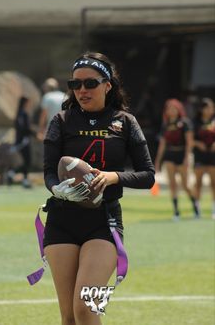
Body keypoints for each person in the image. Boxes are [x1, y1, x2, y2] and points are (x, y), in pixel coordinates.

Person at [43, 52, 155, 325]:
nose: (82, 90)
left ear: (108, 85)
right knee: (69, 317)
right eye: (75, 84)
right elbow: (48, 172)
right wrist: (57, 189)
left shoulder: (126, 122)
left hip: (105, 222)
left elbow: (148, 176)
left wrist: (113, 177)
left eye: (90, 83)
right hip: (61, 221)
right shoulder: (61, 120)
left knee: (88, 308)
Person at [154, 98, 200, 220]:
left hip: (182, 154)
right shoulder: (166, 124)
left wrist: (187, 158)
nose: (171, 111)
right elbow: (162, 144)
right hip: (170, 155)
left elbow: (189, 142)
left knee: (185, 185)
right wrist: (158, 161)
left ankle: (195, 206)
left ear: (179, 109)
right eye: (169, 109)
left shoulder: (185, 123)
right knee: (172, 185)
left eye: (174, 108)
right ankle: (176, 212)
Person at [193, 98, 215, 219]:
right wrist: (197, 144)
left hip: (213, 157)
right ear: (202, 109)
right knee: (198, 184)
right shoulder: (196, 122)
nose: (210, 110)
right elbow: (190, 140)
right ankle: (197, 210)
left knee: (214, 184)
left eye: (212, 107)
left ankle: (214, 210)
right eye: (207, 107)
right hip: (200, 156)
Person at [7, 96, 34, 188]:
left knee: (25, 161)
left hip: (19, 141)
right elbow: (25, 128)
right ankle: (22, 179)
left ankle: (12, 174)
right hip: (23, 142)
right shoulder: (23, 114)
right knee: (27, 161)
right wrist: (35, 134)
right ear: (25, 103)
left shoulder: (18, 113)